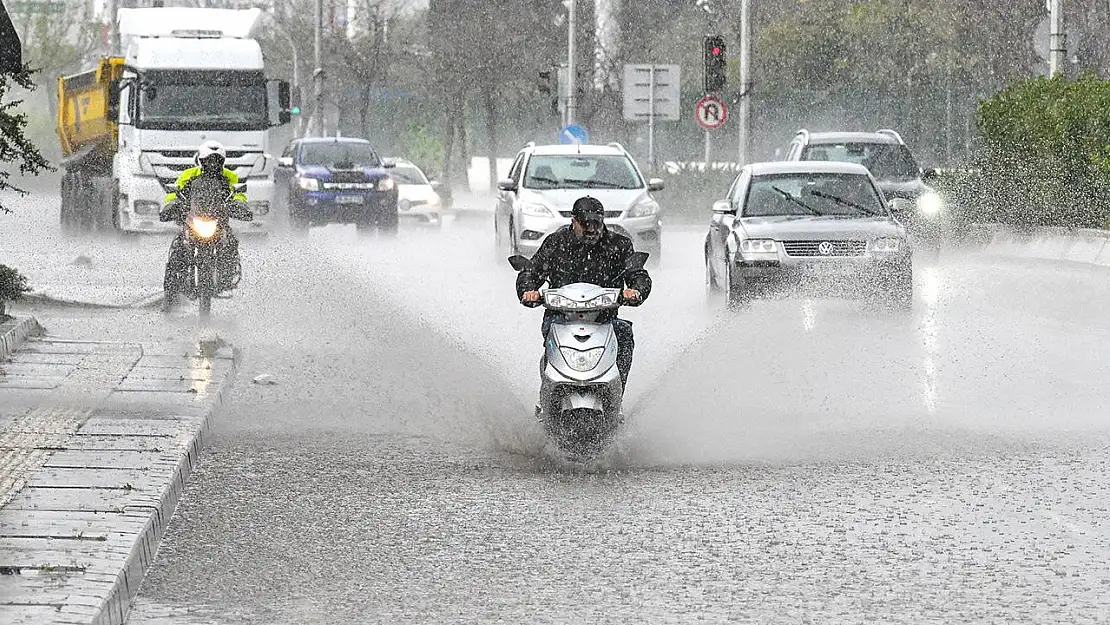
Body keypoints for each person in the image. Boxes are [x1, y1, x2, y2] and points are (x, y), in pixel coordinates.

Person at [516, 196, 651, 391]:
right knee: (551, 333)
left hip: (604, 319)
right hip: (560, 317)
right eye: (585, 223)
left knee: (623, 334)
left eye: (596, 223)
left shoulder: (619, 245)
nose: (591, 229)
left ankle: (616, 391)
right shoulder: (555, 243)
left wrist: (637, 290)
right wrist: (528, 290)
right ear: (573, 220)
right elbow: (532, 271)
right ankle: (547, 391)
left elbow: (637, 274)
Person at [159, 141, 251, 309]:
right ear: (200, 160)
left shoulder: (230, 177)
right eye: (208, 160)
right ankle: (170, 294)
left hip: (218, 222)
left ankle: (226, 275)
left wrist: (241, 206)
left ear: (222, 161)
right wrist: (171, 206)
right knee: (178, 250)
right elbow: (175, 193)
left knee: (230, 243)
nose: (213, 164)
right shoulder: (189, 175)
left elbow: (238, 194)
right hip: (194, 220)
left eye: (216, 161)